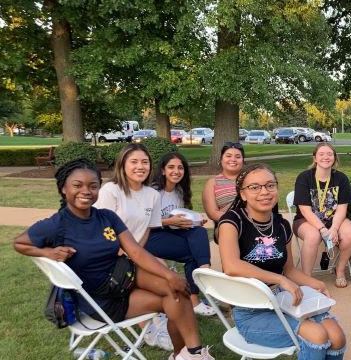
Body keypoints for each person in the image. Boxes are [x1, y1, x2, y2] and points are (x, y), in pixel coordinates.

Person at [13, 159, 222, 360]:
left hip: (123, 277)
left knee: (176, 288)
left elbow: (136, 252)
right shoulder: (56, 225)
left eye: (93, 186)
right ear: (64, 188)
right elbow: (20, 243)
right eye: (78, 185)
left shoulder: (106, 217)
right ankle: (185, 355)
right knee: (173, 297)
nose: (86, 191)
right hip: (100, 300)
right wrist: (48, 253)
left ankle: (189, 355)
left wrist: (170, 274)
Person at [218, 164, 349, 360]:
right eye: (254, 187)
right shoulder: (232, 222)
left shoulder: (281, 224)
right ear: (242, 193)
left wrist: (313, 283)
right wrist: (278, 280)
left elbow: (289, 270)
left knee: (336, 334)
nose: (264, 192)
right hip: (252, 313)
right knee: (316, 334)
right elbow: (230, 265)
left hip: (282, 302)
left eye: (269, 185)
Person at [94, 143, 173, 349]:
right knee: (142, 279)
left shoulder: (152, 195)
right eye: (134, 162)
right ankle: (149, 329)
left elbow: (147, 228)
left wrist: (136, 253)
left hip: (136, 253)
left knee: (165, 275)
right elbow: (100, 228)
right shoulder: (111, 191)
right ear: (123, 165)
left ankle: (161, 321)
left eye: (145, 162)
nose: (140, 166)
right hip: (110, 257)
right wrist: (124, 254)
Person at [146, 152, 216, 316]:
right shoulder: (152, 192)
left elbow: (178, 216)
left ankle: (205, 270)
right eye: (171, 167)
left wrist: (193, 221)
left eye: (180, 168)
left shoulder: (179, 191)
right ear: (163, 170)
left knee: (198, 231)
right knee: (192, 254)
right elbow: (141, 223)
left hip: (170, 231)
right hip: (149, 237)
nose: (176, 171)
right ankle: (195, 299)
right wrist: (168, 222)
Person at [292, 143, 351, 287]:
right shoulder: (304, 178)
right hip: (306, 220)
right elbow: (305, 211)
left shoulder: (341, 179)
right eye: (321, 154)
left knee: (350, 234)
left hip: (333, 219)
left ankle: (339, 271)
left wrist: (334, 228)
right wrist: (322, 229)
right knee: (313, 235)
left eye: (329, 154)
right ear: (315, 158)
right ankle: (307, 278)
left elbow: (342, 208)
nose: (326, 157)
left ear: (334, 158)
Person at [202, 142, 245, 223]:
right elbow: (212, 213)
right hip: (227, 224)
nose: (233, 159)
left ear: (243, 160)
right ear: (221, 159)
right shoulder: (212, 183)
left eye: (238, 157)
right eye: (228, 156)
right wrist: (239, 221)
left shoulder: (251, 179)